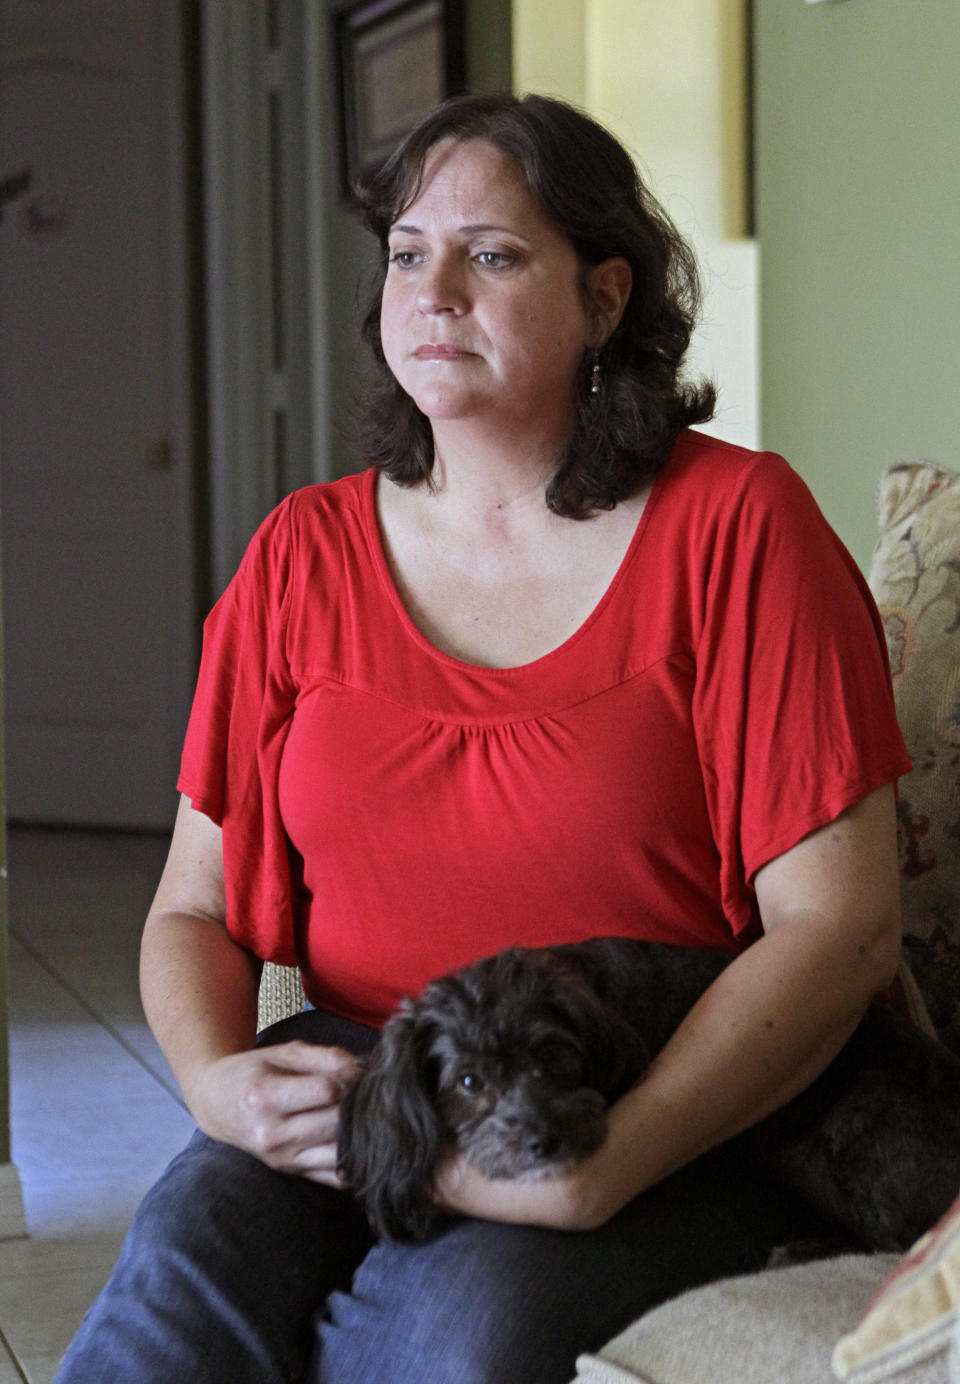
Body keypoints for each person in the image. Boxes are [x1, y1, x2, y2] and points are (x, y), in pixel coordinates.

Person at [54, 91, 911, 1384]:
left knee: (453, 1331)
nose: (433, 288)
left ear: (606, 299)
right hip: (365, 1068)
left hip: (644, 1088)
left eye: (493, 255)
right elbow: (197, 907)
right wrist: (215, 1085)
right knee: (173, 1296)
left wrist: (607, 1163)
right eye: (408, 253)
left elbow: (839, 932)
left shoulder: (741, 527)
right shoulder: (303, 552)